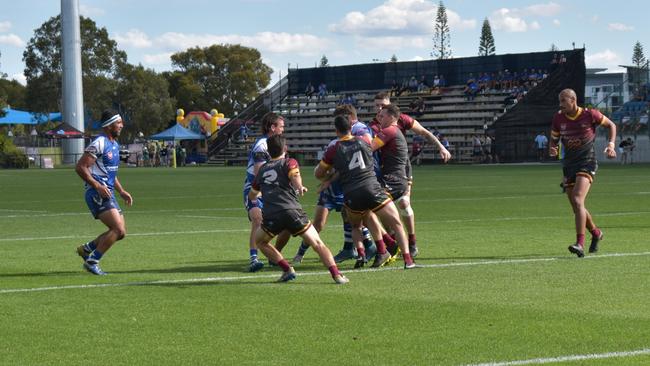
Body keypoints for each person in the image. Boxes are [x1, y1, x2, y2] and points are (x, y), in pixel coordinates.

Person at [315, 115, 416, 269]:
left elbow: (319, 173)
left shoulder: (333, 149)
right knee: (396, 224)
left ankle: (363, 254)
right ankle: (408, 261)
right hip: (372, 188)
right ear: (351, 127)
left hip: (352, 194)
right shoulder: (365, 140)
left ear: (336, 131)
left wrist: (328, 177)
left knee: (356, 226)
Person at [248, 135, 349, 284]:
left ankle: (287, 269)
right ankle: (337, 275)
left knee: (260, 242)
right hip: (291, 211)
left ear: (268, 151)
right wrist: (299, 187)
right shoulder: (289, 161)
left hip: (272, 215)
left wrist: (264, 192)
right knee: (317, 244)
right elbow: (294, 175)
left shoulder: (262, 169)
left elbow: (252, 194)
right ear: (285, 148)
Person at [371, 92, 452, 256]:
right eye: (377, 105)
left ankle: (412, 242)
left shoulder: (401, 119)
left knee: (404, 205)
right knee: (383, 209)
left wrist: (441, 147)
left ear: (389, 104)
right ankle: (395, 242)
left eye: (383, 105)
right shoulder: (374, 125)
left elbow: (424, 132)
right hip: (384, 169)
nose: (380, 108)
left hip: (402, 168)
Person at [549, 89, 617, 257]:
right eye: (560, 101)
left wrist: (611, 145)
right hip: (569, 165)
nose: (561, 104)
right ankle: (596, 233)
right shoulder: (558, 118)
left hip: (587, 162)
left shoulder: (590, 114)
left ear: (573, 100)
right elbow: (554, 139)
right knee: (576, 206)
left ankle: (580, 243)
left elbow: (611, 125)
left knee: (578, 199)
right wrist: (553, 147)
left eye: (563, 101)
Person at [74, 110, 133, 275]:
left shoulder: (114, 144)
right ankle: (92, 261)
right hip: (96, 193)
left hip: (108, 193)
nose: (122, 126)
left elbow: (109, 173)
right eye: (118, 122)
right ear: (109, 125)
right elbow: (80, 167)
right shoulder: (99, 142)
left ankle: (87, 249)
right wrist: (96, 186)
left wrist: (121, 191)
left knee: (121, 233)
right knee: (118, 229)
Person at [243, 112, 291, 272]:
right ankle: (253, 259)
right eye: (281, 126)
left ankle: (274, 256)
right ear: (272, 127)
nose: (283, 130)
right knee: (257, 220)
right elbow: (259, 174)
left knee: (285, 224)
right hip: (256, 189)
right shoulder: (262, 145)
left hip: (272, 190)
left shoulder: (278, 144)